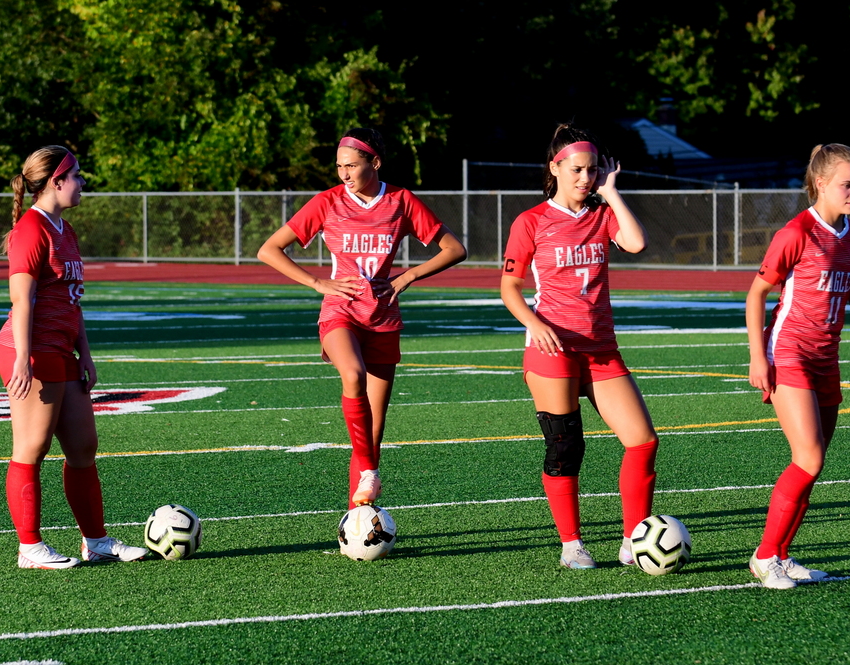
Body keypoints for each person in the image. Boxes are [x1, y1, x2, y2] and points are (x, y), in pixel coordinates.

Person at [258, 128, 466, 509]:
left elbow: (455, 249)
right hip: (341, 312)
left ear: (375, 163)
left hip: (384, 318)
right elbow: (269, 249)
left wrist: (406, 277)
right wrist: (319, 282)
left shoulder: (401, 201)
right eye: (339, 166)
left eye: (352, 166)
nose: (344, 174)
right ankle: (369, 475)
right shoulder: (327, 202)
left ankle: (359, 516)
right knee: (351, 375)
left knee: (372, 433)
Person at [500, 124, 657, 570]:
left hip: (602, 348)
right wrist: (534, 323)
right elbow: (510, 286)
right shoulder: (530, 221)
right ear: (555, 168)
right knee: (566, 447)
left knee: (643, 441)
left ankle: (634, 538)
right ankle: (572, 544)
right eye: (577, 170)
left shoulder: (601, 213)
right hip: (554, 349)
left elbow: (636, 242)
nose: (585, 178)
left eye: (592, 170)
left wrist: (611, 192)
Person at [744, 144, 850, 589]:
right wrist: (758, 356)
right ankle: (767, 557)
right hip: (788, 352)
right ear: (821, 184)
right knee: (808, 458)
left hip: (825, 359)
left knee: (814, 461)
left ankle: (777, 554)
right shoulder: (796, 233)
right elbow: (756, 295)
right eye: (847, 184)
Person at [0, 146, 149, 569]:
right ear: (55, 181)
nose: (83, 182)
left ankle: (96, 541)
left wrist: (86, 353)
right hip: (30, 348)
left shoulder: (65, 229)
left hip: (62, 349)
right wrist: (24, 358)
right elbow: (21, 301)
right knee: (32, 446)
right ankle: (30, 548)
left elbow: (72, 302)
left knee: (83, 446)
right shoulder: (32, 229)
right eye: (77, 175)